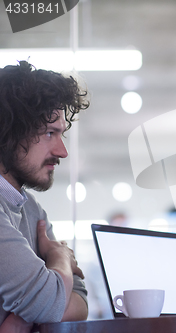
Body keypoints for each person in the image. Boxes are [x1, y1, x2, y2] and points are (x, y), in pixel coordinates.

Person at [0, 61, 90, 332]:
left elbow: (80, 301)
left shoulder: (31, 210)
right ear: (8, 133)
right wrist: (61, 257)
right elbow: (50, 304)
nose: (62, 151)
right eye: (49, 133)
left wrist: (18, 320)